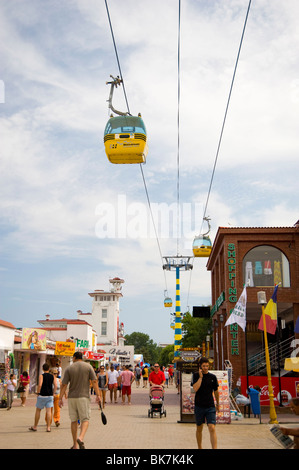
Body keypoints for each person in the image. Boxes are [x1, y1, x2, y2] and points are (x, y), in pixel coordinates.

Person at [59, 351, 101, 449]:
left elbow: (64, 384)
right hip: (84, 397)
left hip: (72, 398)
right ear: (82, 357)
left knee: (73, 420)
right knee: (85, 419)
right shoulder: (88, 366)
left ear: (74, 358)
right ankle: (81, 438)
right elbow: (94, 381)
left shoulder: (69, 368)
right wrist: (98, 395)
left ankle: (75, 445)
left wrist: (60, 398)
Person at [191, 357, 219, 449]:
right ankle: (200, 447)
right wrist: (200, 377)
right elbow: (195, 388)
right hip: (199, 406)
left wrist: (218, 404)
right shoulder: (195, 375)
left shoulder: (213, 377)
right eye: (204, 366)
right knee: (199, 427)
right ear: (200, 366)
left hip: (210, 406)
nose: (206, 368)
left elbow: (216, 391)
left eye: (207, 366)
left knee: (212, 427)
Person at [29, 363, 57, 432]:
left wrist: (38, 393)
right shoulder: (53, 376)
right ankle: (48, 427)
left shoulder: (41, 376)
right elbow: (55, 385)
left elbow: (40, 385)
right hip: (50, 396)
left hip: (42, 395)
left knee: (38, 410)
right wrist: (53, 393)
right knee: (48, 411)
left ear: (42, 369)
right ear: (49, 369)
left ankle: (35, 426)